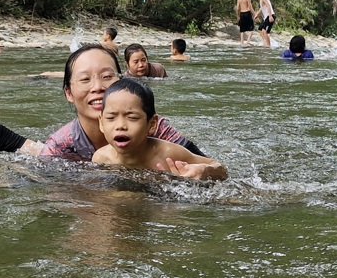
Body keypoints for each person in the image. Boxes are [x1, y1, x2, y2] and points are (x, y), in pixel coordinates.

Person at [40, 45, 223, 181]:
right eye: (85, 79)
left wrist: (204, 172)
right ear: (69, 93)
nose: (97, 87)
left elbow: (210, 165)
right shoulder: (60, 147)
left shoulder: (158, 130)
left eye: (107, 77)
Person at [92, 78, 227, 180]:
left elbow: (221, 169)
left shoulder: (169, 154)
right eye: (111, 117)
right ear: (101, 123)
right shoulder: (100, 158)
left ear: (152, 125)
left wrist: (204, 170)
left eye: (132, 117)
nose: (120, 125)